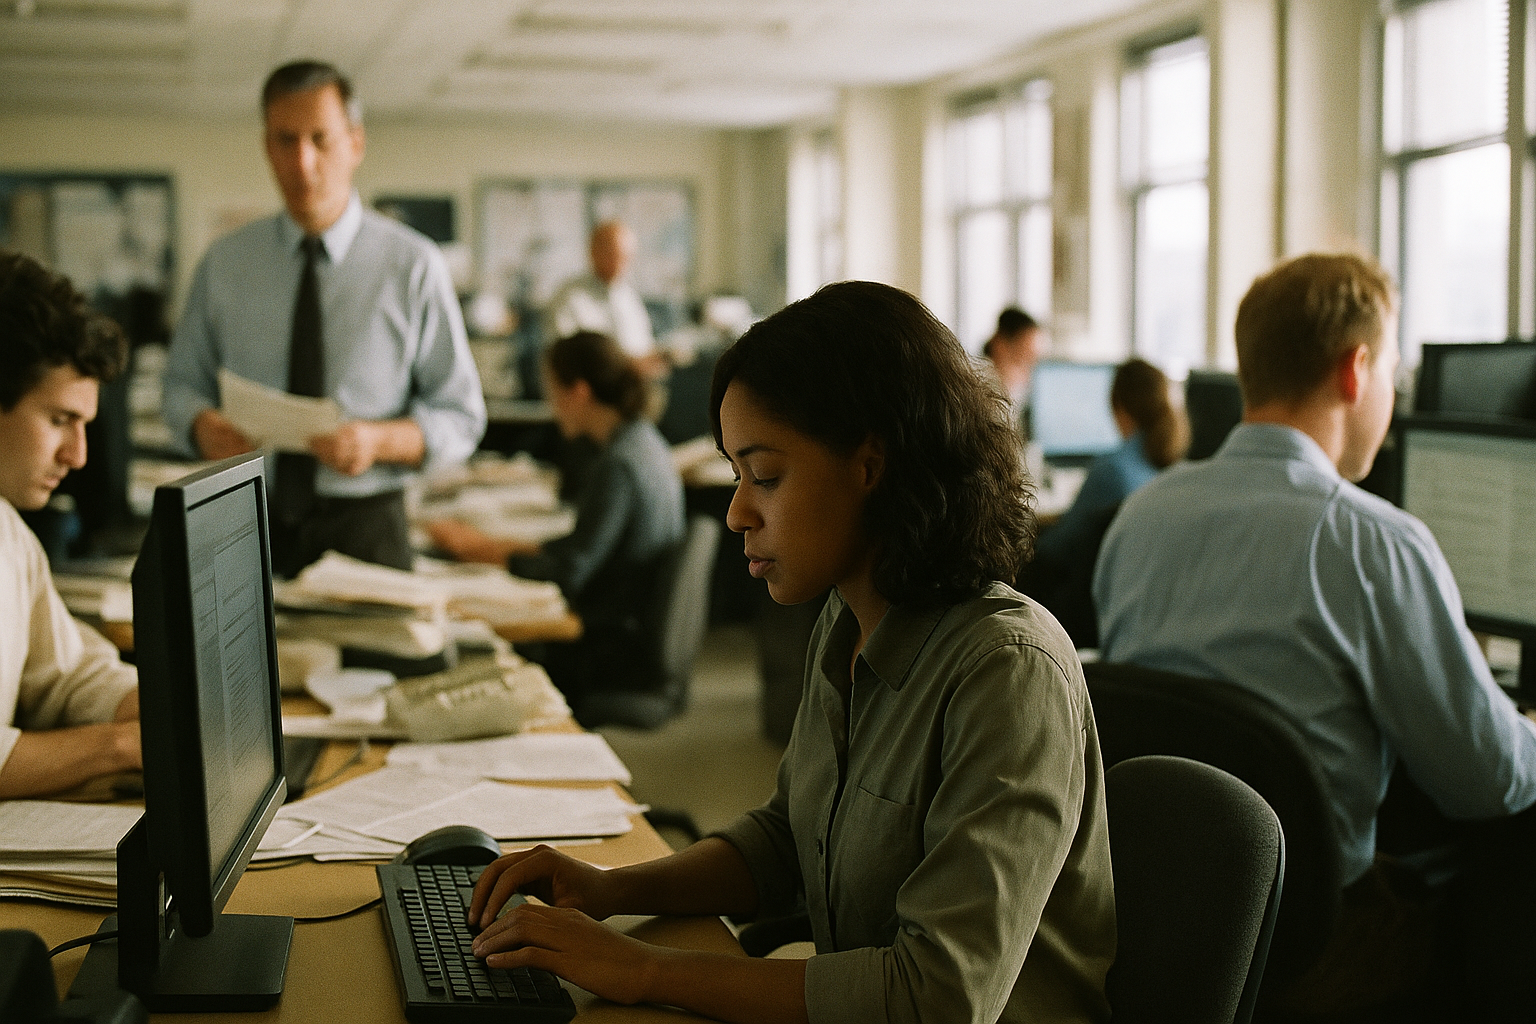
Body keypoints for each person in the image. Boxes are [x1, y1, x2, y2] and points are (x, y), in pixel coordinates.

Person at [464, 281, 1115, 1023]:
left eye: (766, 476)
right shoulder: (846, 619)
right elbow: (787, 841)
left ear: (869, 464)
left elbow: (937, 997)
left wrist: (643, 968)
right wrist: (610, 888)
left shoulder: (1007, 671)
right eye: (737, 475)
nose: (738, 511)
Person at [1093, 252, 1536, 1017]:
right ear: (1356, 370)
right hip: (1316, 945)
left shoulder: (1141, 516)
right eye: (1390, 370)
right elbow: (1487, 781)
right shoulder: (1372, 543)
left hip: (1152, 922)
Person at [161, 59, 486, 578]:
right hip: (245, 518)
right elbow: (180, 385)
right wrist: (201, 427)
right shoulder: (225, 264)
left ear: (355, 143)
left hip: (366, 523)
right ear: (267, 147)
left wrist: (379, 441)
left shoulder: (412, 265)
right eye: (285, 140)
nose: (303, 161)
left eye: (320, 139)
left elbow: (461, 415)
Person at [427, 331, 685, 715]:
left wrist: (481, 552)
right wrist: (499, 545)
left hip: (604, 646)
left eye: (551, 390)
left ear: (578, 392)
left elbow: (569, 570)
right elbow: (584, 547)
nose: (550, 404)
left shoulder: (618, 465)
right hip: (627, 626)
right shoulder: (642, 442)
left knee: (461, 643)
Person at [0, 251, 141, 798]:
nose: (78, 456)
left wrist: (153, 707)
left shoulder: (8, 530)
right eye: (60, 420)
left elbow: (63, 670)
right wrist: (120, 746)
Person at [1021, 357, 1187, 646]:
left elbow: (1056, 550)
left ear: (1118, 407)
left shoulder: (1112, 470)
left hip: (1079, 613)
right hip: (1131, 612)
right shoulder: (1171, 471)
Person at [545, 220, 666, 378]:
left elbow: (643, 345)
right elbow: (567, 359)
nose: (620, 263)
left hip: (633, 384)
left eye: (626, 256)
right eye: (613, 254)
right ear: (593, 252)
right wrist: (624, 364)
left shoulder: (628, 296)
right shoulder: (569, 297)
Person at [981, 306, 1043, 432]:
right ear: (999, 346)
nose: (1027, 374)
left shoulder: (1021, 399)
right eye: (1021, 360)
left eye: (1032, 362)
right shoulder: (978, 399)